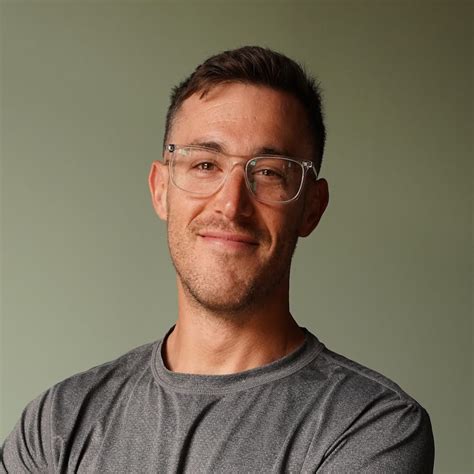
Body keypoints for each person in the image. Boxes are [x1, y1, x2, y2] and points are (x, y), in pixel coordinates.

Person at [1, 46, 434, 473]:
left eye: (268, 172)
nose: (231, 204)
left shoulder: (372, 428)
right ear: (160, 189)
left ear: (312, 208)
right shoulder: (56, 425)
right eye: (206, 165)